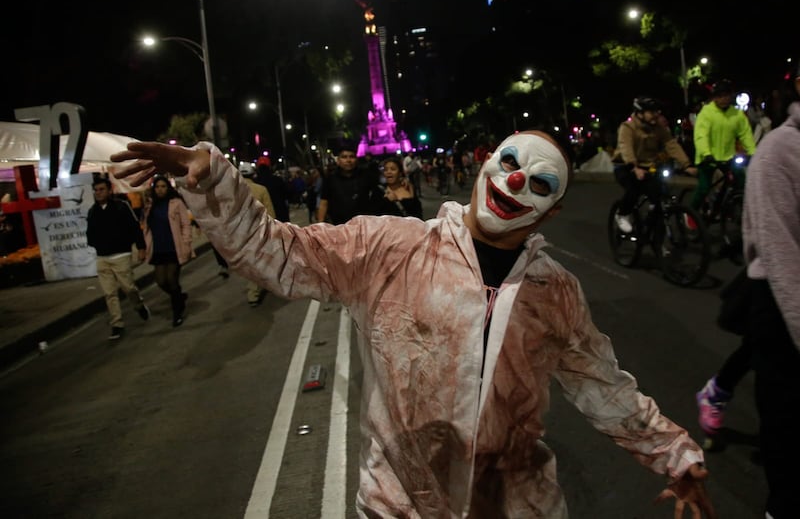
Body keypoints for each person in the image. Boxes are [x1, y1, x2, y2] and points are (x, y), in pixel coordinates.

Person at [112, 130, 715, 518]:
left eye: (538, 184)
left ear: (553, 209)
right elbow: (277, 254)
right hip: (397, 506)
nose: (513, 185)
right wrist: (215, 179)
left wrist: (675, 455)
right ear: (485, 166)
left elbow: (601, 385)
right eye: (509, 165)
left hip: (518, 506)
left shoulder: (554, 290)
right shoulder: (388, 246)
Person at [739, 64, 800, 519]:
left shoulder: (739, 121)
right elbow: (782, 260)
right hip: (782, 305)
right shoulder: (780, 150)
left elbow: (741, 132)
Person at [611, 96, 697, 233]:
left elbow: (671, 145)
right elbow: (625, 147)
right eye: (651, 112)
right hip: (625, 165)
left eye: (656, 111)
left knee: (659, 195)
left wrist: (686, 165)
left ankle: (655, 235)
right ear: (640, 113)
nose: (656, 115)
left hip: (647, 166)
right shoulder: (627, 127)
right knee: (634, 189)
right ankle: (622, 214)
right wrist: (634, 166)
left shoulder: (658, 128)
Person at [85, 176, 151, 340]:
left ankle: (139, 305)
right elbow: (90, 233)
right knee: (109, 293)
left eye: (101, 189)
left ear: (109, 190)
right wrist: (95, 243)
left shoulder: (122, 207)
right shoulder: (93, 211)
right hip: (102, 257)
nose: (98, 193)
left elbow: (135, 227)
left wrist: (141, 247)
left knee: (128, 288)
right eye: (96, 190)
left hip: (121, 254)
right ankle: (117, 324)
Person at [691, 79, 757, 213]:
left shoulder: (737, 114)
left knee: (741, 181)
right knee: (704, 187)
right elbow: (701, 135)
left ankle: (736, 210)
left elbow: (745, 134)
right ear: (714, 97)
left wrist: (753, 152)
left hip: (728, 156)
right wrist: (706, 153)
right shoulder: (706, 113)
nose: (724, 99)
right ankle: (691, 212)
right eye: (720, 96)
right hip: (708, 158)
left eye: (726, 95)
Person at [141, 175, 194, 327]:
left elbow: (185, 224)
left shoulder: (176, 203)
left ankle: (177, 312)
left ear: (168, 188)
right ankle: (178, 296)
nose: (160, 189)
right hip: (158, 248)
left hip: (174, 247)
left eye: (163, 186)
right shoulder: (151, 205)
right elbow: (146, 226)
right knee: (160, 281)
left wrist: (187, 243)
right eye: (157, 187)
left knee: (172, 280)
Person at [239, 161, 276, 306]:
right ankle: (259, 287)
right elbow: (269, 212)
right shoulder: (260, 189)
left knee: (249, 261)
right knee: (261, 258)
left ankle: (253, 292)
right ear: (253, 174)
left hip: (240, 231)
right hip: (258, 229)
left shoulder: (232, 191)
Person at [316, 143, 379, 224]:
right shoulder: (330, 179)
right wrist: (319, 225)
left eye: (351, 157)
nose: (348, 160)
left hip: (364, 225)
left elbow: (379, 192)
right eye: (344, 157)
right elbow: (324, 203)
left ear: (356, 159)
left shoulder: (366, 175)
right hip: (339, 226)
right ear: (338, 160)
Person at [254, 156, 290, 222]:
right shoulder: (277, 180)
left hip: (263, 218)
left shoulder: (255, 182)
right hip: (280, 214)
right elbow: (287, 195)